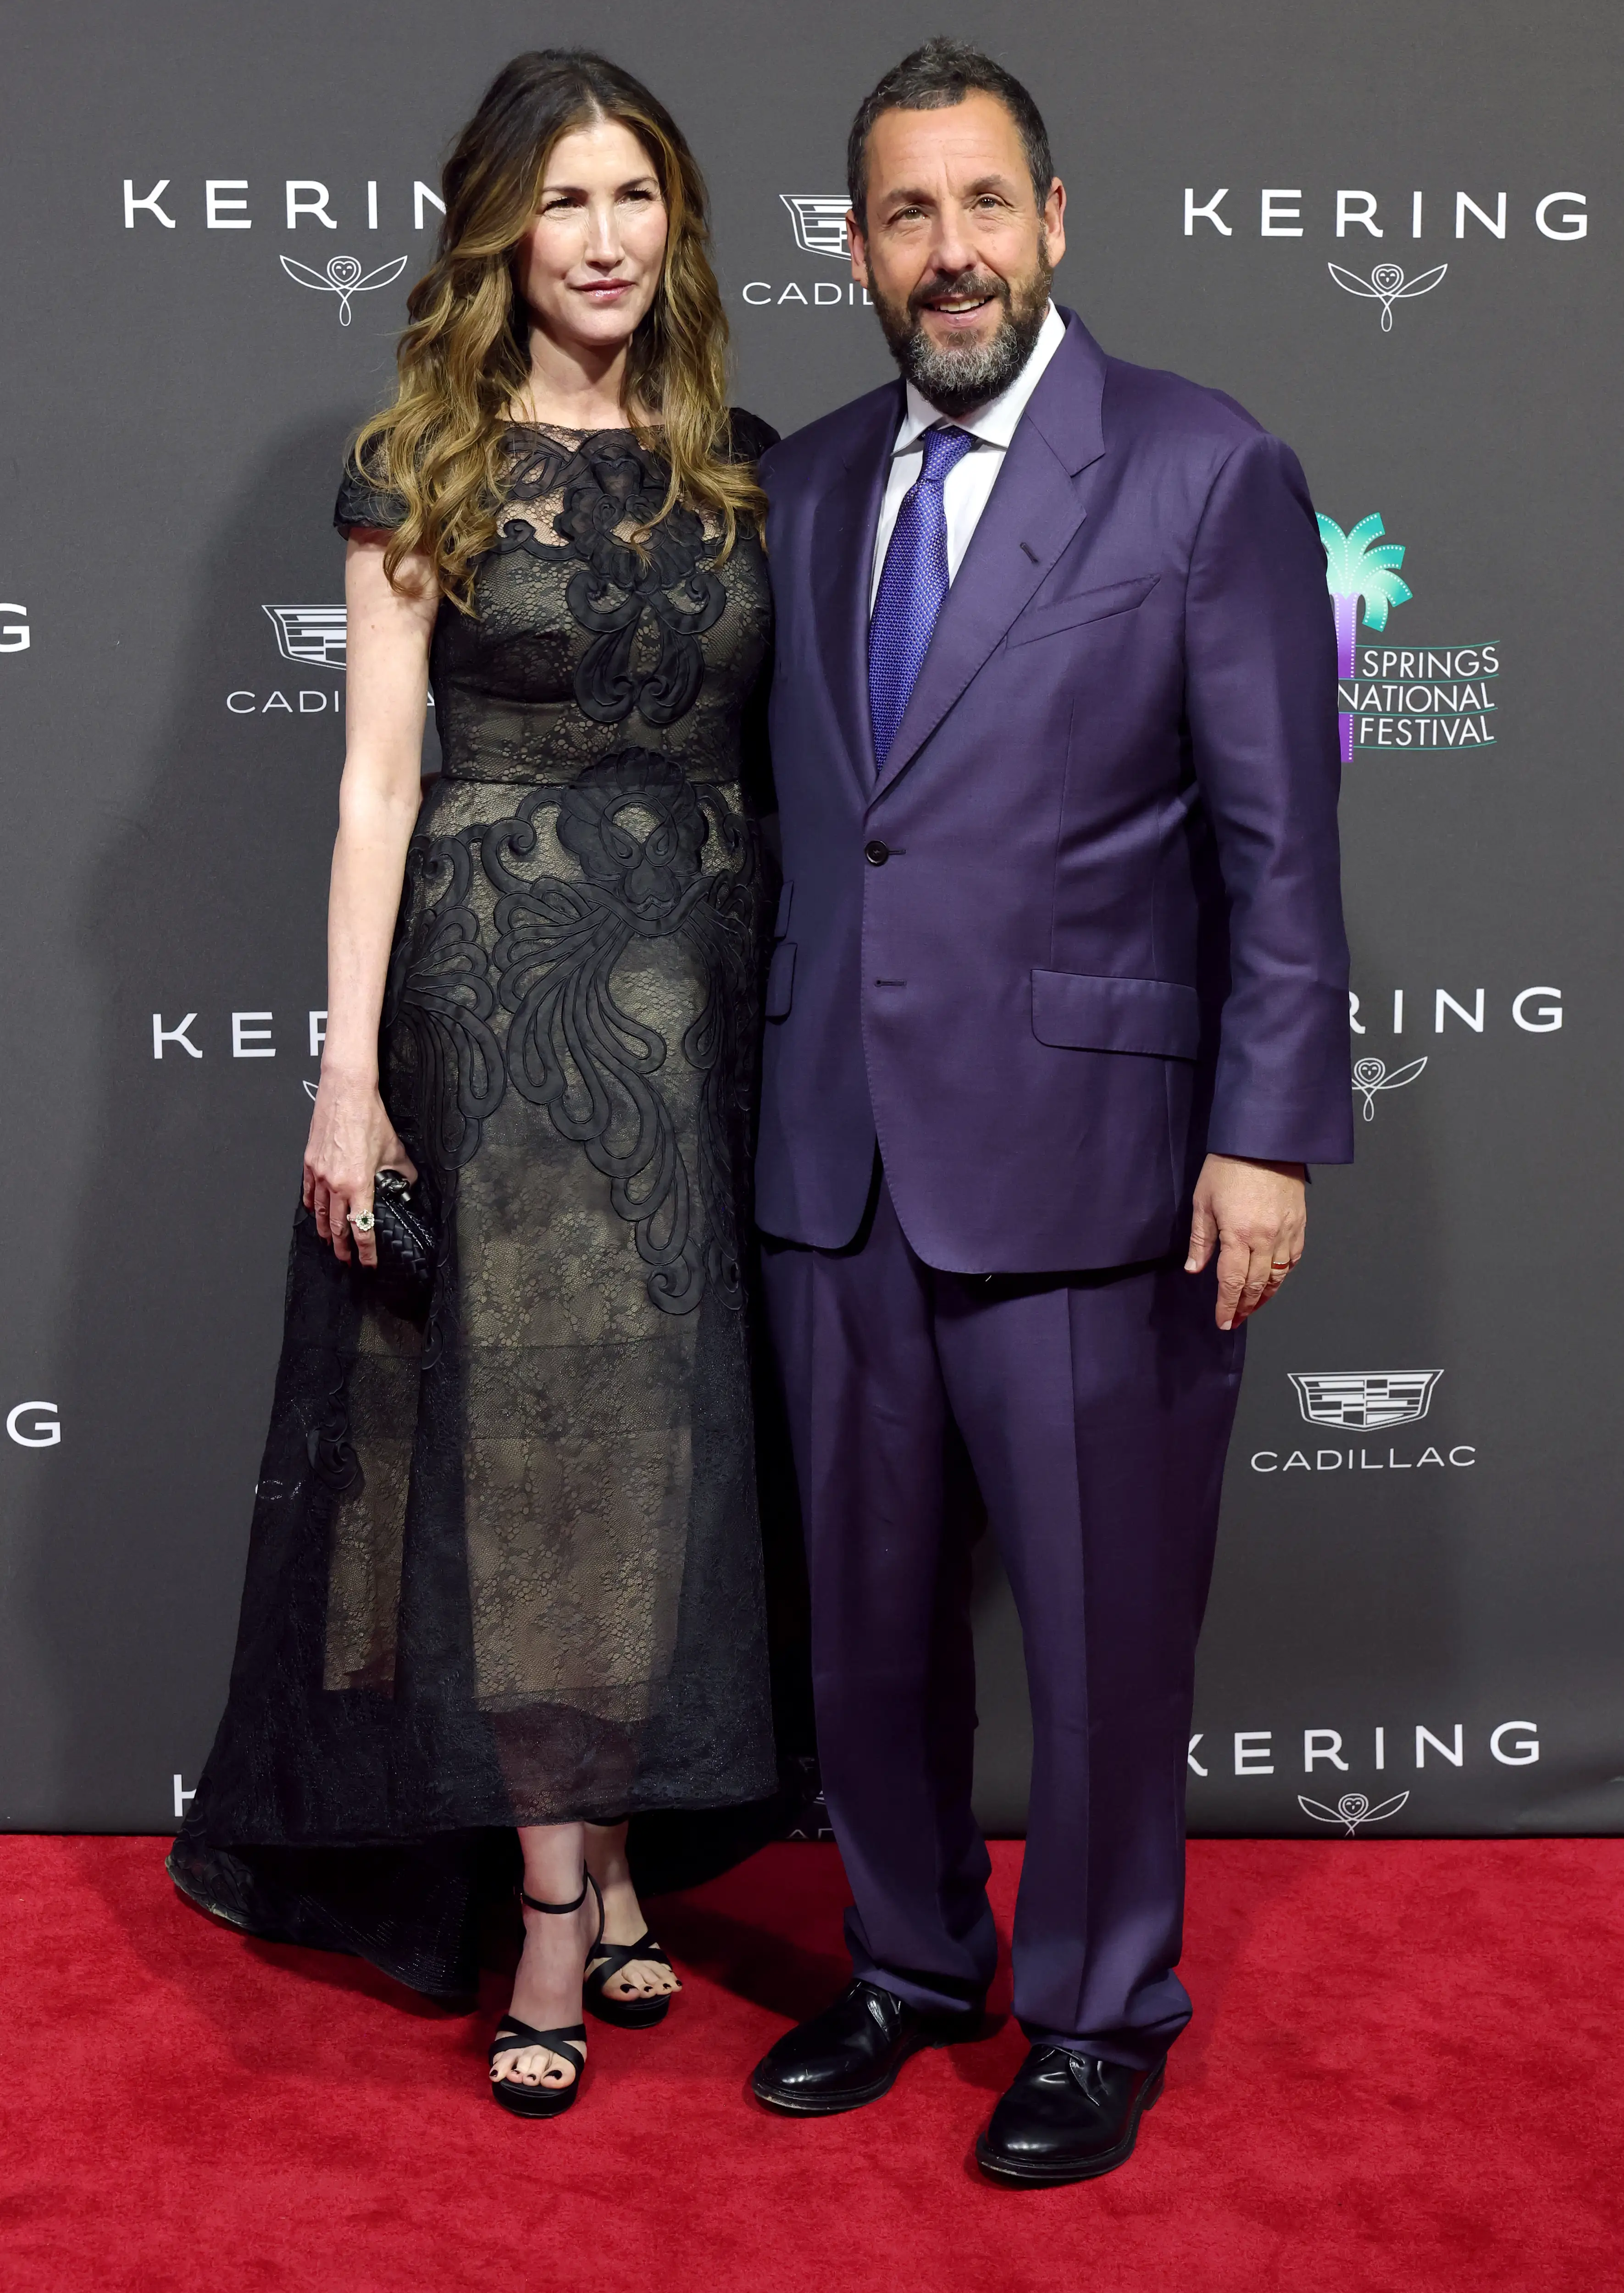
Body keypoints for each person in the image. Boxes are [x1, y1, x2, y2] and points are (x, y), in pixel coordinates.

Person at [748, 39, 1352, 2183]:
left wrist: (1265, 1128)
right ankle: (912, 1959)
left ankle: (1101, 2005)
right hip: (836, 1159)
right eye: (906, 216)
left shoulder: (1200, 469)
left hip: (1100, 1170)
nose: (951, 253)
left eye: (984, 205)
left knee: (1104, 1626)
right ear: (857, 249)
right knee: (870, 1608)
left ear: (1059, 218)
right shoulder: (809, 482)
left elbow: (1283, 844)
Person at [169, 49, 780, 2119]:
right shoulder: (426, 455)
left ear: (675, 223)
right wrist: (348, 1081)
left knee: (667, 1443)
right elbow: (375, 784)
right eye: (566, 203)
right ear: (499, 234)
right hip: (501, 1003)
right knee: (530, 1450)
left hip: (712, 1022)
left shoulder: (736, 459)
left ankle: (621, 1854)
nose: (605, 239)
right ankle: (548, 1901)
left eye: (637, 198)